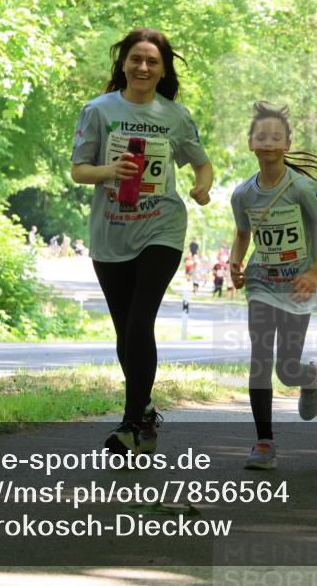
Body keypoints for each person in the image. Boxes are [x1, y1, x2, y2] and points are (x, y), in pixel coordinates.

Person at [71, 27, 213, 456]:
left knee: (139, 322)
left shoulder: (176, 116)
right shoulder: (97, 111)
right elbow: (79, 170)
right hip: (111, 231)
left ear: (163, 69)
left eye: (153, 61)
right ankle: (146, 411)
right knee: (124, 333)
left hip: (161, 227)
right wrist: (110, 171)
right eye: (136, 59)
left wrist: (202, 188)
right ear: (123, 63)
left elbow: (202, 166)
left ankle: (131, 424)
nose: (144, 67)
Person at [229, 101, 317, 470]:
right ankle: (264, 443)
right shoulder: (243, 194)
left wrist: (314, 273)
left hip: (297, 288)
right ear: (250, 143)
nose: (268, 142)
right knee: (260, 358)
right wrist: (236, 262)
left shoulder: (304, 188)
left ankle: (311, 375)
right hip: (261, 283)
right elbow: (244, 233)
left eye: (276, 136)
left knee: (285, 369)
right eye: (261, 136)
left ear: (288, 143)